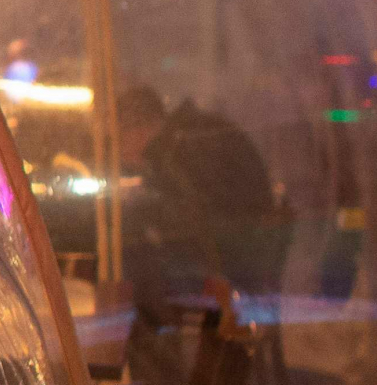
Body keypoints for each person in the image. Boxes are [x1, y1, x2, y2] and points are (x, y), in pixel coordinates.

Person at [113, 82, 286, 305]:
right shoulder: (192, 136)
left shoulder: (179, 156)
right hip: (252, 266)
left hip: (235, 277)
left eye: (120, 138)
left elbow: (195, 228)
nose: (119, 150)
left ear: (139, 128)